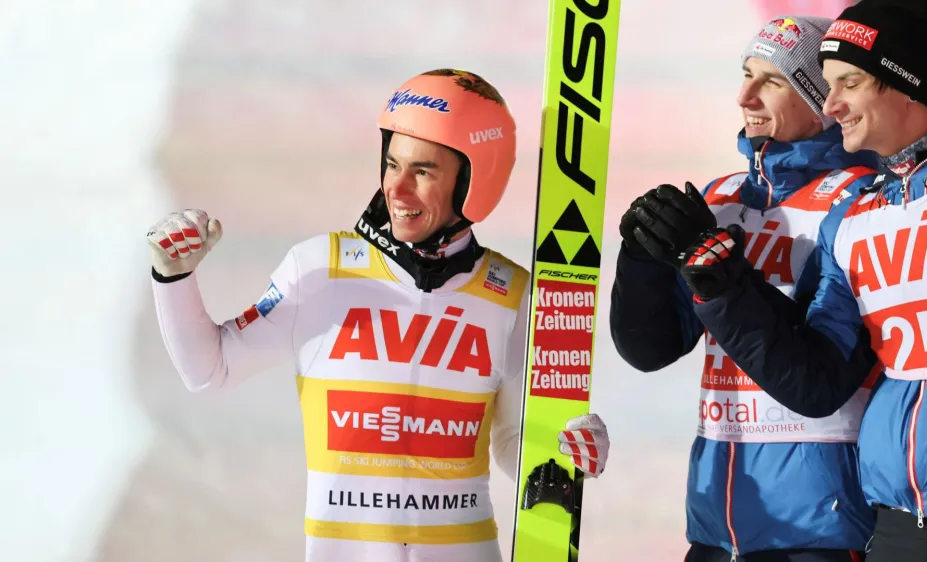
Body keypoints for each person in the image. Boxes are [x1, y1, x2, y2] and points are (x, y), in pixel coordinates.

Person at [144, 68, 610, 562]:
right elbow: (209, 370)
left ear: (475, 181)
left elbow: (513, 443)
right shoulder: (319, 270)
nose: (397, 190)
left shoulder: (513, 294)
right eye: (391, 164)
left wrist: (568, 454)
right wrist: (173, 277)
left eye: (423, 171)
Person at [656, 2, 927, 561]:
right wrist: (725, 290)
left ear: (904, 84)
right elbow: (816, 380)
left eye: (850, 84)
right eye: (828, 84)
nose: (831, 104)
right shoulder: (855, 218)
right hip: (900, 525)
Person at [612, 15, 879, 562]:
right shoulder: (721, 198)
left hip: (818, 525)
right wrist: (641, 257)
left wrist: (726, 280)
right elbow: (651, 348)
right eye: (745, 74)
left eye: (771, 80)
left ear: (822, 100)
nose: (744, 96)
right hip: (718, 522)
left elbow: (817, 365)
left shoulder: (861, 200)